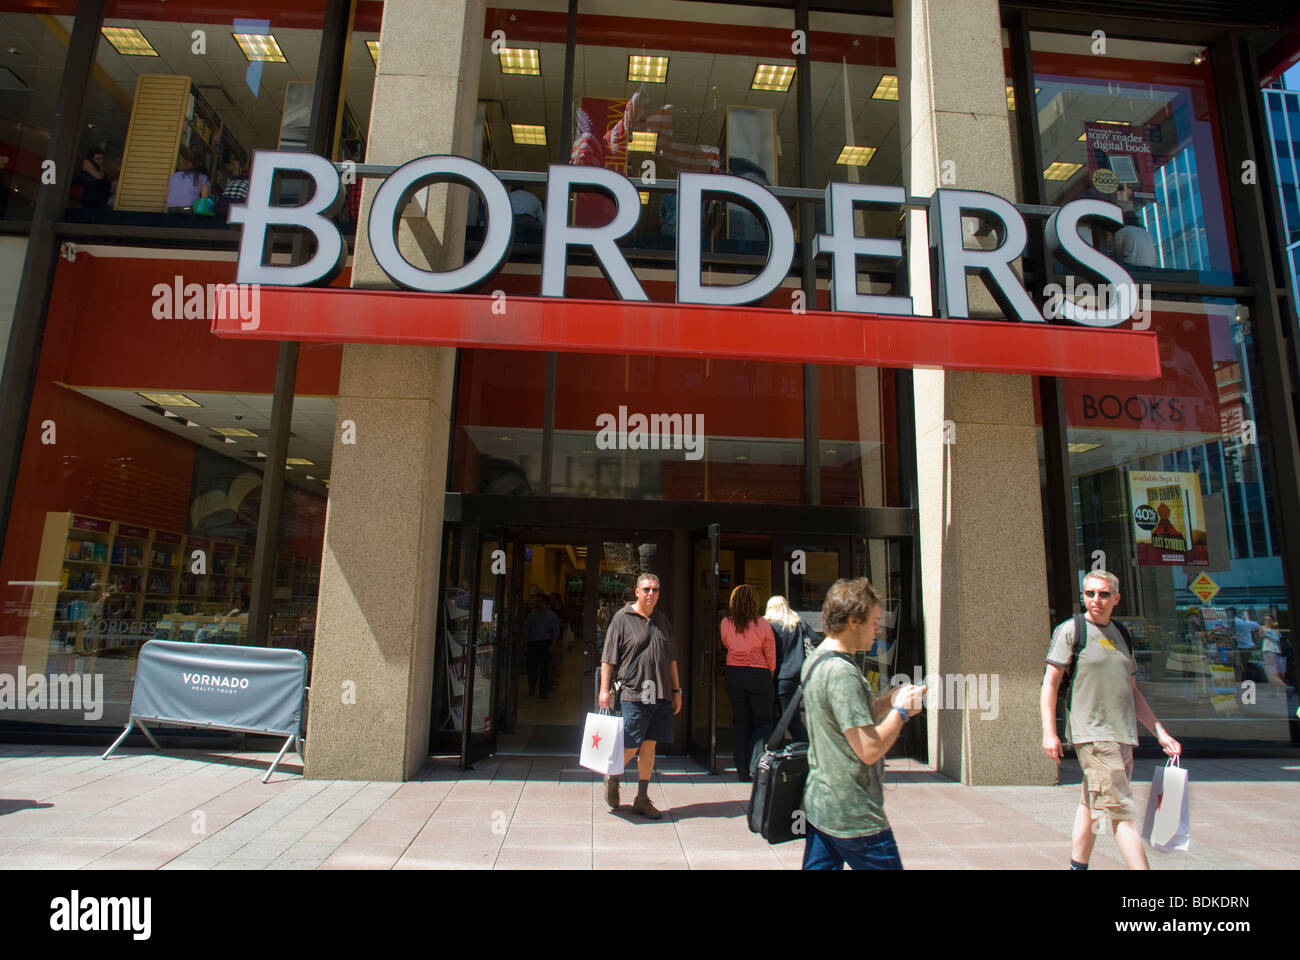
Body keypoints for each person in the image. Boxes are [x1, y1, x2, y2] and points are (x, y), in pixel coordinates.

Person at [1041, 570, 1181, 870]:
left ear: (1116, 598)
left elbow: (1133, 693)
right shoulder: (1071, 631)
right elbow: (1050, 684)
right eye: (1089, 593)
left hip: (1123, 736)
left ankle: (1077, 867)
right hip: (1093, 735)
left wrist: (1160, 733)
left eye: (1103, 594)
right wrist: (1049, 732)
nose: (1095, 600)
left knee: (1091, 805)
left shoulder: (1121, 635)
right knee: (1121, 813)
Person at [801, 577, 926, 870]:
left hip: (823, 804)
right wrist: (900, 712)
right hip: (853, 814)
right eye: (873, 622)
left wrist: (888, 700)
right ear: (853, 622)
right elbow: (868, 748)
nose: (878, 629)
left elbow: (846, 716)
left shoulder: (817, 660)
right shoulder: (841, 672)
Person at [599, 572, 680, 819]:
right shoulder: (621, 619)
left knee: (650, 745)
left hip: (661, 693)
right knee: (632, 744)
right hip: (633, 692)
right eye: (646, 589)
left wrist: (677, 690)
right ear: (637, 592)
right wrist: (604, 690)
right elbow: (608, 658)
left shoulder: (662, 620)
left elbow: (672, 659)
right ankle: (613, 774)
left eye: (655, 590)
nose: (651, 594)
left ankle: (642, 798)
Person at [719, 584, 776, 782]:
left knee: (741, 721)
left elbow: (726, 644)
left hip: (734, 672)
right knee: (762, 723)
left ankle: (741, 769)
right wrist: (769, 673)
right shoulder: (763, 624)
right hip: (759, 673)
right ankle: (755, 765)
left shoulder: (726, 622)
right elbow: (770, 654)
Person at [765, 594, 816, 741]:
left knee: (788, 719)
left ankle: (808, 751)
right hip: (798, 675)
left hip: (781, 675)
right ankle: (775, 752)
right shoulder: (799, 623)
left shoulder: (770, 626)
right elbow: (815, 640)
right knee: (785, 716)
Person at [522, 594, 559, 698]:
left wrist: (552, 645)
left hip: (545, 644)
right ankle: (532, 687)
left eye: (540, 601)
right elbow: (526, 631)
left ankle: (543, 691)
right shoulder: (531, 615)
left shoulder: (552, 616)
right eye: (537, 601)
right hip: (533, 644)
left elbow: (555, 633)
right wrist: (525, 644)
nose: (538, 603)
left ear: (546, 603)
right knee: (531, 668)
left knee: (544, 669)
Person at [166, 148, 211, 213]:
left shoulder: (174, 175)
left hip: (171, 206)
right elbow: (204, 201)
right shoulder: (203, 177)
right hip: (188, 207)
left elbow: (166, 197)